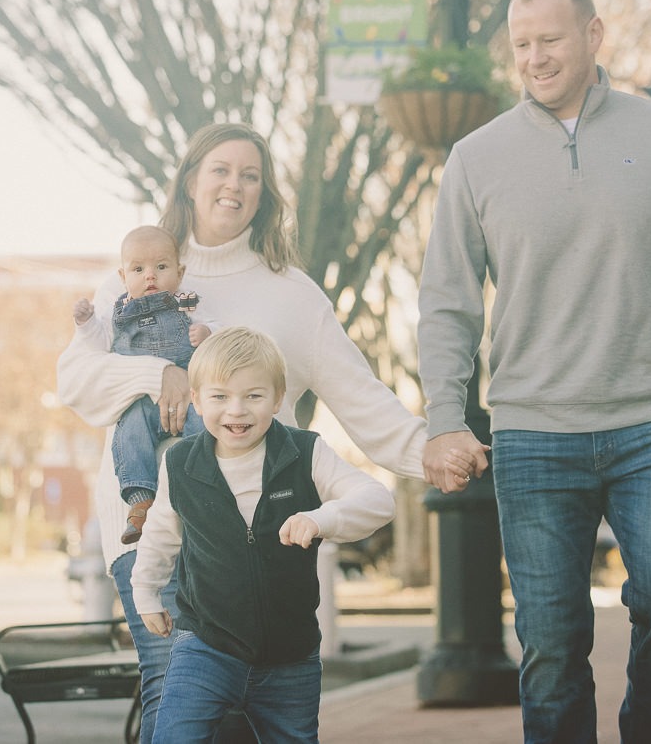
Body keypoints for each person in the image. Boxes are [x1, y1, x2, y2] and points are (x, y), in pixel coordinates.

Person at [416, 0, 651, 743]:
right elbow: (447, 302)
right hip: (532, 434)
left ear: (593, 36)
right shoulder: (476, 159)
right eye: (521, 45)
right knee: (551, 647)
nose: (535, 59)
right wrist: (444, 418)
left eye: (550, 40)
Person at [57, 122, 473, 743]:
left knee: (252, 718)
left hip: (255, 539)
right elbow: (76, 382)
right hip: (151, 527)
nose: (234, 185)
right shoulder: (139, 273)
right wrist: (161, 374)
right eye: (220, 170)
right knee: (174, 697)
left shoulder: (292, 295)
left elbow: (361, 398)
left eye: (250, 175)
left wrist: (430, 450)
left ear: (264, 193)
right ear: (191, 182)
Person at [131, 327, 394, 743]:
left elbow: (378, 500)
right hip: (206, 645)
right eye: (219, 397)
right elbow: (162, 534)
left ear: (277, 398)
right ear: (197, 400)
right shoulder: (179, 464)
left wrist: (322, 518)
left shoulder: (304, 452)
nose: (236, 410)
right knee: (174, 736)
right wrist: (145, 592)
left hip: (290, 656)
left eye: (253, 396)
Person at [73, 224, 213, 544]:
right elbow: (100, 342)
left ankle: (204, 489)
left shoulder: (186, 302)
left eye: (161, 267)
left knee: (204, 425)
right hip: (142, 402)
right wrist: (85, 323)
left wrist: (206, 334)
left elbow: (214, 325)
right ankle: (140, 500)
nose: (150, 276)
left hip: (188, 397)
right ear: (123, 277)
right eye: (139, 269)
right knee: (130, 429)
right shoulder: (118, 311)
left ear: (179, 272)